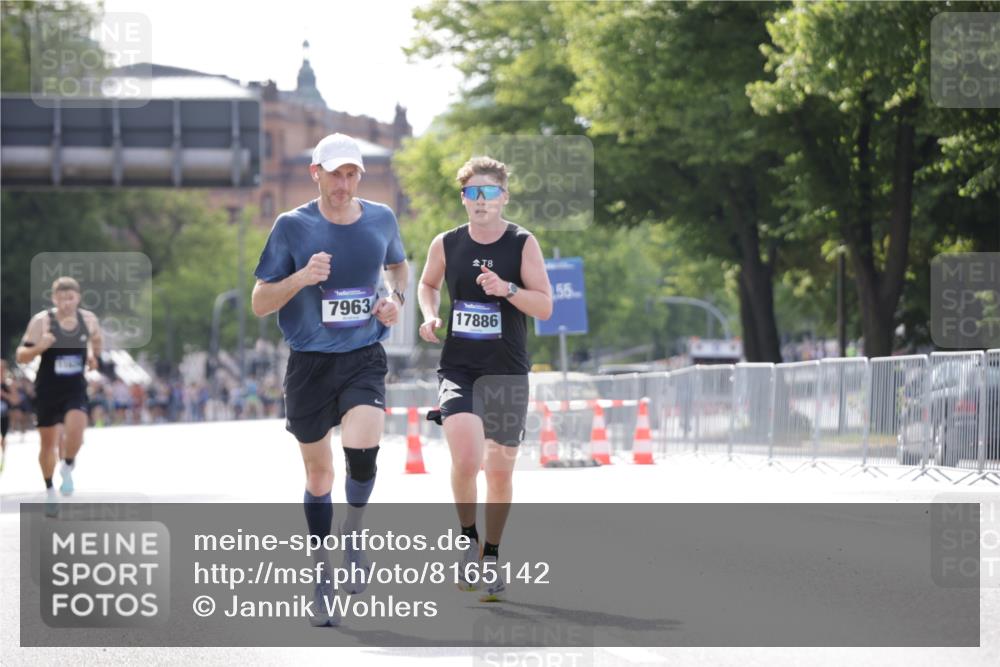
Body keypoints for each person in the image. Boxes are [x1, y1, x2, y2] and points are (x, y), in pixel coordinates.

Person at [251, 132, 408, 626]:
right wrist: (300, 278)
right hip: (308, 363)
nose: (343, 184)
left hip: (363, 355)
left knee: (363, 455)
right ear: (314, 173)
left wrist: (395, 301)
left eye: (351, 174)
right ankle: (321, 576)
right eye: (334, 174)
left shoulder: (381, 218)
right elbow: (259, 302)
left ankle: (354, 534)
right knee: (319, 475)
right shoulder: (291, 226)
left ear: (359, 176)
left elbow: (399, 268)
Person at [418, 156, 552, 602]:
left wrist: (508, 290)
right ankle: (467, 538)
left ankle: (491, 554)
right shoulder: (447, 243)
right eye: (472, 193)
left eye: (489, 192)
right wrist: (431, 314)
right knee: (467, 457)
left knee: (499, 470)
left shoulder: (522, 243)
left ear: (503, 197)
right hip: (459, 367)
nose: (480, 201)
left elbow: (545, 306)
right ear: (463, 198)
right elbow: (428, 284)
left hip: (507, 369)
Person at [15, 277, 102, 512]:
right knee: (48, 442)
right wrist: (40, 347)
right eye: (61, 299)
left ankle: (68, 464)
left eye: (70, 298)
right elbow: (21, 355)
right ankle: (50, 489)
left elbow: (96, 340)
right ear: (54, 299)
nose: (66, 303)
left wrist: (94, 357)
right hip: (47, 389)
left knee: (77, 431)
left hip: (75, 386)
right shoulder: (42, 322)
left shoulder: (88, 319)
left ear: (78, 297)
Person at [1, 359, 15, 473]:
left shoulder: (8, 384)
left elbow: (15, 399)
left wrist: (4, 394)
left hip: (4, 415)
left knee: (3, 439)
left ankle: (3, 458)